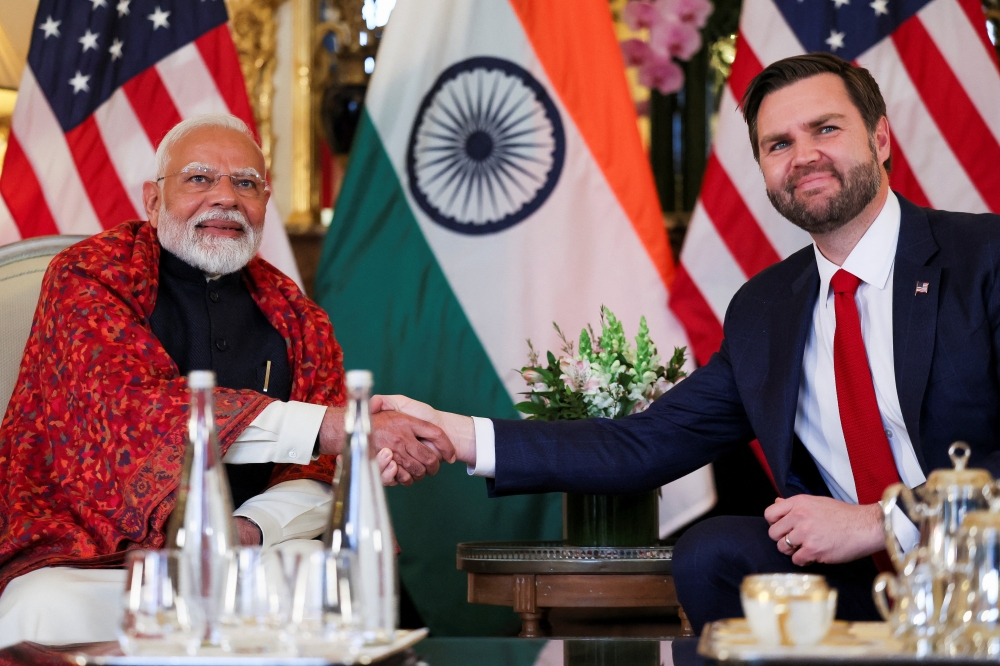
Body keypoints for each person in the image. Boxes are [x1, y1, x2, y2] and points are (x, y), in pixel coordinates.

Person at [376, 52, 1000, 633]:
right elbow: (644, 443)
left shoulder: (984, 258)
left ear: (880, 138)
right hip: (862, 586)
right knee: (711, 553)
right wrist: (453, 433)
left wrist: (885, 520)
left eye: (826, 129)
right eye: (779, 144)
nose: (804, 156)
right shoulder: (766, 310)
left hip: (985, 563)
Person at [0, 113, 454, 646]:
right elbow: (137, 413)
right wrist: (341, 427)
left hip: (248, 560)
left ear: (265, 202)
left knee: (320, 579)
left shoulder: (298, 316)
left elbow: (322, 469)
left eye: (246, 183)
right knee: (46, 605)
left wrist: (249, 530)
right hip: (97, 561)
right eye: (199, 178)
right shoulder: (89, 276)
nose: (225, 197)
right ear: (153, 200)